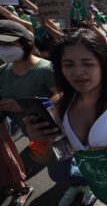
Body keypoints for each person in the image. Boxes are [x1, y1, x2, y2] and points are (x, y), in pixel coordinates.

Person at [25, 29, 107, 206]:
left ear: (103, 63)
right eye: (68, 64)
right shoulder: (58, 105)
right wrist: (39, 140)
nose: (78, 72)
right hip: (96, 182)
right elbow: (45, 158)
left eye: (87, 63)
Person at [0, 20, 60, 205]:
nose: (3, 49)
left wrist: (23, 105)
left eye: (8, 44)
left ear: (26, 43)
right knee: (57, 168)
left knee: (62, 169)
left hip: (57, 132)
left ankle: (84, 185)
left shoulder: (45, 69)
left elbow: (63, 98)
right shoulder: (2, 72)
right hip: (33, 135)